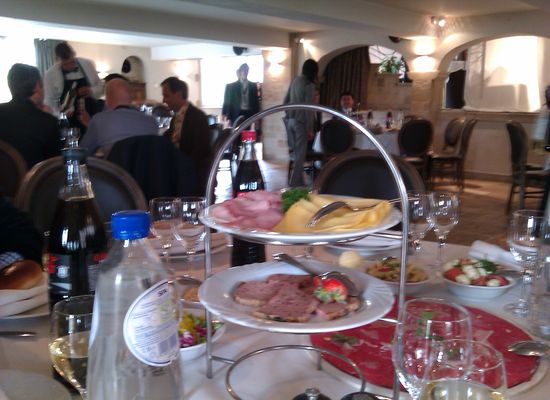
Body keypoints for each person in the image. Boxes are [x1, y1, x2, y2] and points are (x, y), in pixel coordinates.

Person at [0, 63, 61, 168]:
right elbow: (55, 164)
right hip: (35, 178)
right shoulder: (47, 121)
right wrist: (49, 117)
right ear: (37, 86)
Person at [80, 78, 158, 156]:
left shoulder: (99, 120)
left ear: (107, 99)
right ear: (131, 98)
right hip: (147, 163)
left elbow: (82, 153)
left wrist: (91, 125)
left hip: (114, 164)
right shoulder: (152, 121)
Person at [161, 76, 210, 194]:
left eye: (166, 95)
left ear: (178, 94)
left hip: (192, 175)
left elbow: (200, 151)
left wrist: (178, 168)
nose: (163, 100)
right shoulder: (176, 118)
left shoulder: (198, 117)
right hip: (179, 170)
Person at [43, 41, 103, 131]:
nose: (70, 66)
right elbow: (48, 102)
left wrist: (91, 91)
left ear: (74, 55)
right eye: (65, 64)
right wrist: (60, 114)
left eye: (72, 62)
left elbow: (100, 87)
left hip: (91, 114)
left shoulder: (87, 64)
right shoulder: (50, 75)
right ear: (58, 61)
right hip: (68, 119)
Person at [283, 59, 319, 187]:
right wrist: (310, 129)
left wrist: (290, 115)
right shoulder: (309, 85)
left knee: (296, 154)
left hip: (290, 121)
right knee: (300, 156)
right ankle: (293, 184)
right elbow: (308, 109)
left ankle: (300, 182)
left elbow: (285, 101)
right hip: (301, 123)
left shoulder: (295, 80)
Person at [222, 63, 260, 127]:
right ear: (240, 71)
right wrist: (224, 113)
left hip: (248, 113)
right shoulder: (232, 86)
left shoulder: (253, 86)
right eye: (244, 70)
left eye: (247, 70)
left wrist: (257, 117)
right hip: (236, 114)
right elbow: (227, 101)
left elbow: (256, 103)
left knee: (246, 131)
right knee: (236, 132)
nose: (245, 72)